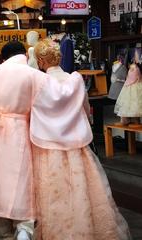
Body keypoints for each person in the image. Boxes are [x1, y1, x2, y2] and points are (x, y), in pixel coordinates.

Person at [30, 38, 131, 240]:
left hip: (47, 146)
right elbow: (85, 109)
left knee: (53, 193)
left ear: (41, 61)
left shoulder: (38, 82)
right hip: (77, 144)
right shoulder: (75, 79)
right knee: (83, 190)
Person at [0, 41, 51, 240]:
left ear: (3, 58)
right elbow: (48, 104)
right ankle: (24, 226)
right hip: (20, 128)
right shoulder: (33, 75)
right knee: (22, 178)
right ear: (25, 54)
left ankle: (2, 232)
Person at [114, 48, 142, 126]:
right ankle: (126, 120)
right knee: (128, 103)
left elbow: (134, 77)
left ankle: (135, 121)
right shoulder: (133, 67)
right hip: (130, 86)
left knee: (134, 103)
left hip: (133, 86)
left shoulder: (135, 68)